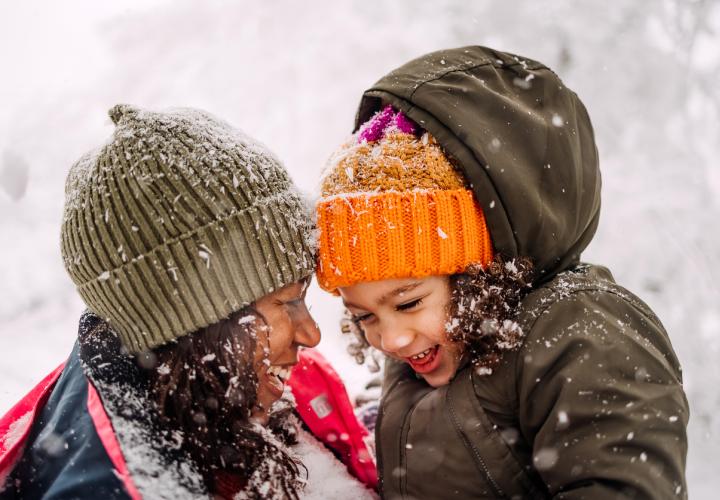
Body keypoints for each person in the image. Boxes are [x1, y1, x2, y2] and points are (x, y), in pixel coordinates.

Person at [315, 46, 689, 499]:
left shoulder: (579, 331)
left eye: (408, 302)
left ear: (477, 273)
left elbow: (621, 486)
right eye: (364, 317)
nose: (390, 340)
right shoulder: (423, 357)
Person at [0, 105, 375, 499]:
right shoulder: (115, 488)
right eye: (285, 303)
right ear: (195, 324)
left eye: (303, 297)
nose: (311, 334)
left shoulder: (219, 395)